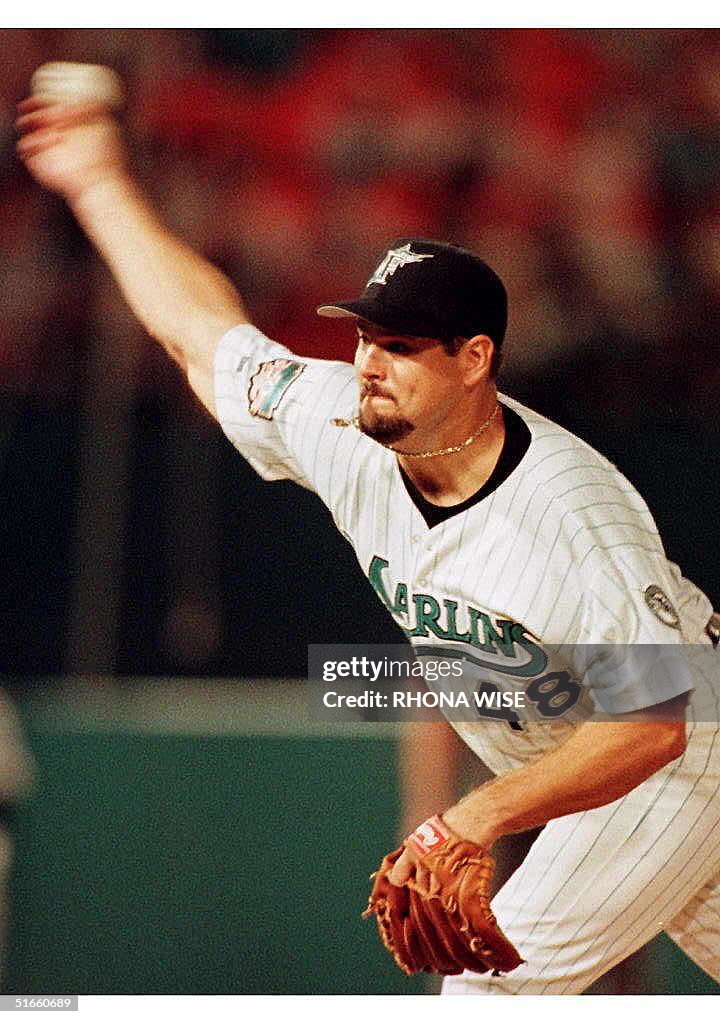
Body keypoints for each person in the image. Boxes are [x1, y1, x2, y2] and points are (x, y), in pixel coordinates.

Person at [15, 82, 720, 996]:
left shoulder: (574, 512)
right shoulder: (338, 422)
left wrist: (473, 818)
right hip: (600, 772)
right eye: (365, 336)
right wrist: (99, 182)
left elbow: (656, 724)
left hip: (678, 763)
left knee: (487, 997)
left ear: (475, 361)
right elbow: (200, 335)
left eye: (403, 346)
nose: (369, 365)